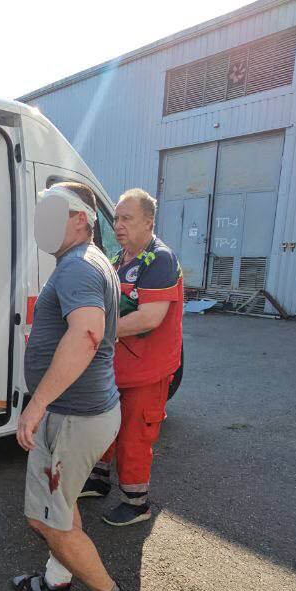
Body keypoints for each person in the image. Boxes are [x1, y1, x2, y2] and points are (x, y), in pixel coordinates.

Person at [10, 181, 134, 591]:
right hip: (85, 413)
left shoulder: (78, 267)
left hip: (72, 418)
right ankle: (56, 583)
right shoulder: (87, 263)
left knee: (44, 519)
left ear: (80, 217)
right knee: (61, 508)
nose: (41, 220)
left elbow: (85, 335)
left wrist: (37, 404)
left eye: (52, 211)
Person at [80, 189, 184, 526]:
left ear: (149, 222)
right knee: (106, 428)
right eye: (118, 218)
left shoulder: (160, 260)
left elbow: (149, 318)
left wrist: (98, 333)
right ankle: (98, 480)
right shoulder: (119, 259)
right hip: (116, 369)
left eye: (127, 219)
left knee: (134, 436)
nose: (119, 225)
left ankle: (136, 502)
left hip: (146, 372)